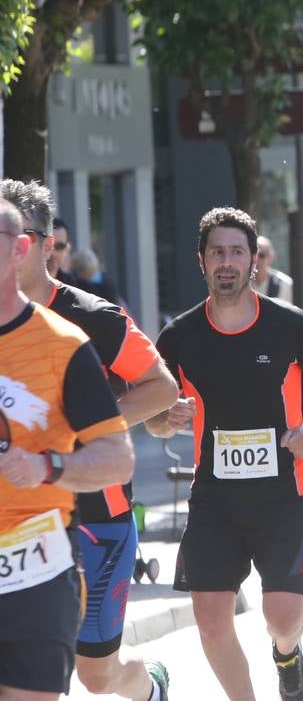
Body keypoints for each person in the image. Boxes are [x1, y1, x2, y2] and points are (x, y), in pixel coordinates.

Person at [0, 179, 182, 701]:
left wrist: (90, 431)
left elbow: (161, 386)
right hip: (20, 519)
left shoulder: (89, 319)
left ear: (44, 245)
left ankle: (150, 687)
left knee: (95, 676)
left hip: (96, 515)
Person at [157, 207, 303, 701]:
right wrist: (165, 419)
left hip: (288, 493)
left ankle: (288, 654)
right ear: (201, 261)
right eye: (217, 252)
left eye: (236, 252)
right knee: (210, 616)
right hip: (216, 498)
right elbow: (155, 413)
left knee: (282, 619)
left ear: (253, 261)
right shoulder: (179, 336)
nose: (227, 262)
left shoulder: (289, 325)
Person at [251, 236, 294, 303]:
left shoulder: (284, 284)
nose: (256, 260)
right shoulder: (243, 283)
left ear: (270, 258)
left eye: (261, 255)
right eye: (253, 255)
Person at [49, 217, 74, 283]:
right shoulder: (21, 285)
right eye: (48, 246)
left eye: (59, 247)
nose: (52, 253)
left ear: (67, 249)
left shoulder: (78, 287)